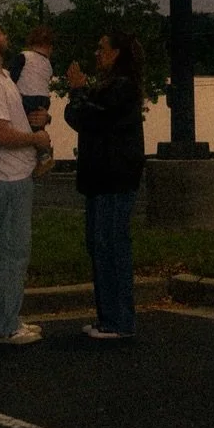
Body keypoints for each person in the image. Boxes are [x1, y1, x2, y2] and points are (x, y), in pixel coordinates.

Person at [0, 18, 53, 346]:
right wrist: (35, 140)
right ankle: (5, 327)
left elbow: (11, 121)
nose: (5, 35)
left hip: (14, 175)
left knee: (14, 251)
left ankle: (8, 319)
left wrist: (38, 121)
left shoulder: (1, 77)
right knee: (10, 253)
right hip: (7, 177)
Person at [64, 28, 145, 340]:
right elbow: (78, 116)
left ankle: (120, 321)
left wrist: (78, 91)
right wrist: (80, 95)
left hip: (115, 178)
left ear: (116, 54)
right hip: (101, 178)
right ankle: (108, 316)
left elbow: (87, 118)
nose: (96, 53)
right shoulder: (109, 87)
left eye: (102, 48)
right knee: (99, 246)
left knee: (111, 246)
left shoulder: (122, 88)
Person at [15, 22, 56, 179]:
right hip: (43, 99)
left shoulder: (24, 57)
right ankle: (44, 156)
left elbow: (13, 76)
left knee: (24, 126)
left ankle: (40, 159)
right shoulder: (48, 64)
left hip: (26, 96)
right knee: (39, 129)